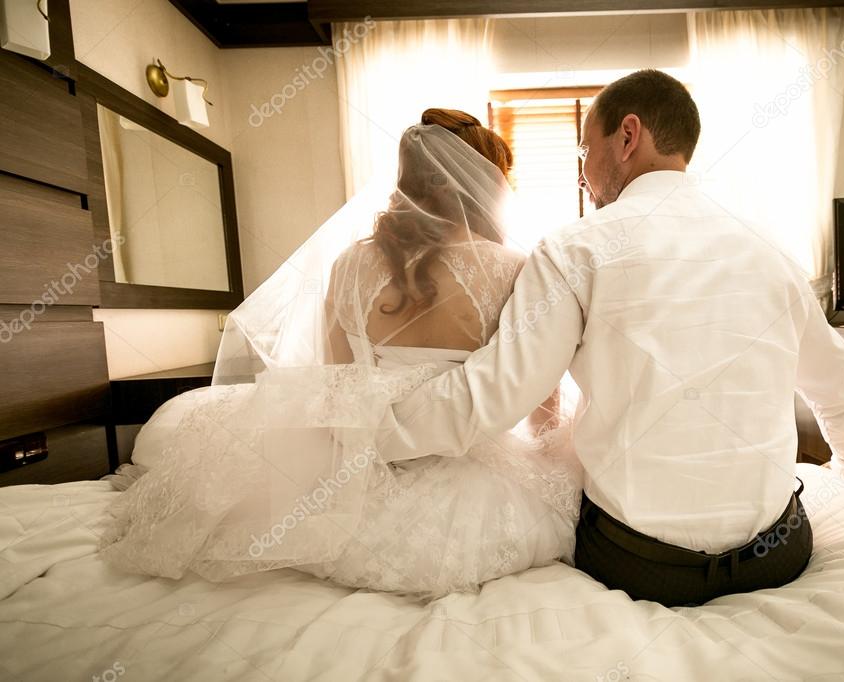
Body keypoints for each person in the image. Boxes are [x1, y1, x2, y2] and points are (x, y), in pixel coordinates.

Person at [379, 70, 844, 607]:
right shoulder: (770, 250)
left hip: (641, 565)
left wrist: (378, 433)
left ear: (627, 136)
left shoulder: (574, 249)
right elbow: (837, 386)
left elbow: (497, 393)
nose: (582, 177)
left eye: (583, 153)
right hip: (776, 557)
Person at [99, 108, 582, 599]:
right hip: (473, 466)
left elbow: (337, 382)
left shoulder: (350, 264)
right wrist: (544, 456)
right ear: (484, 184)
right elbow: (534, 382)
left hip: (363, 466)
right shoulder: (511, 268)